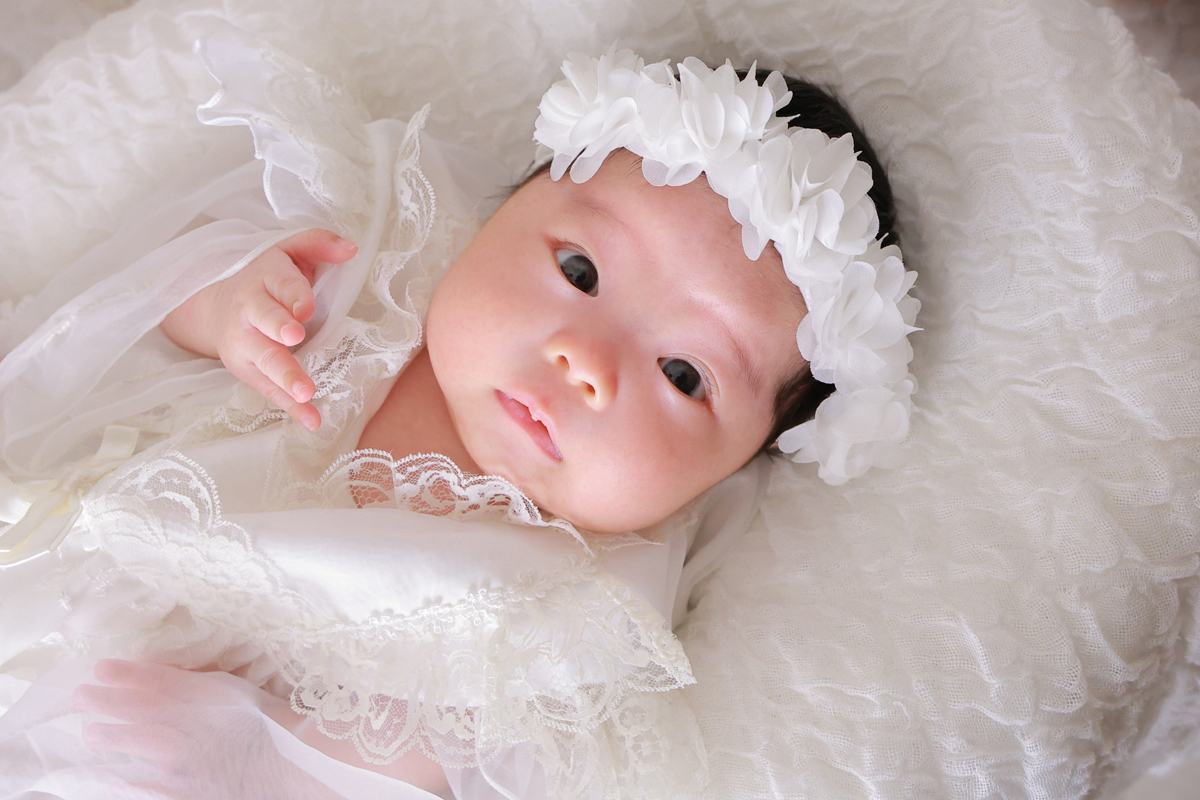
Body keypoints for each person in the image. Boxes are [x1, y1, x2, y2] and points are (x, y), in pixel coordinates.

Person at [0, 34, 917, 800]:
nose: (586, 362)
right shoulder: (379, 259)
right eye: (580, 272)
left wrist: (263, 757)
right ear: (500, 215)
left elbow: (473, 758)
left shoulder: (588, 595)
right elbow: (153, 301)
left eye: (683, 375)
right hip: (80, 589)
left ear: (736, 465)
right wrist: (230, 308)